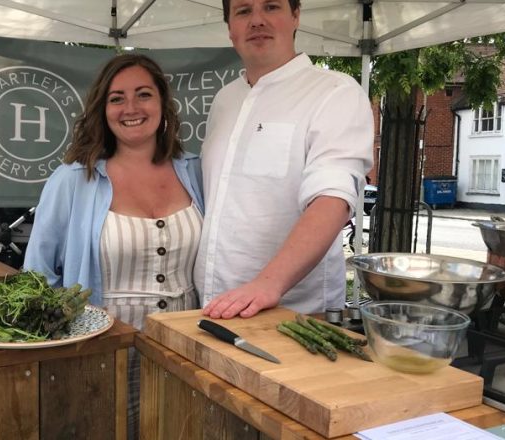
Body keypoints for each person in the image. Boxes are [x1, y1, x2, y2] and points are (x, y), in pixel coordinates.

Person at [24, 53, 204, 439]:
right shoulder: (73, 179)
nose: (131, 108)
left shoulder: (195, 170)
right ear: (102, 109)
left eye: (144, 94)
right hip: (103, 353)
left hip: (189, 350)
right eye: (117, 98)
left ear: (163, 104)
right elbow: (37, 274)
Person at [197, 0, 374, 319]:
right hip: (212, 306)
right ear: (230, 29)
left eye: (271, 7)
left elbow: (332, 198)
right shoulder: (225, 99)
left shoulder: (335, 92)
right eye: (243, 11)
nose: (257, 20)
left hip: (292, 313)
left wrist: (268, 284)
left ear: (296, 16)